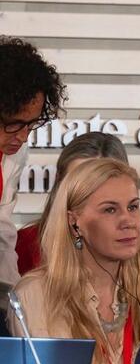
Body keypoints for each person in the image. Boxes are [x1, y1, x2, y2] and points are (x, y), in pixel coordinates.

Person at [7, 158, 140, 364]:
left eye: (133, 207)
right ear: (74, 222)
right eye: (110, 209)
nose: (128, 221)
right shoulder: (35, 296)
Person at [0, 36, 67, 287]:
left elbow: (2, 231)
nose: (23, 136)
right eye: (13, 123)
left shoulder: (14, 153)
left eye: (31, 124)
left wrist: (11, 294)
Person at [16, 131, 128, 276]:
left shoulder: (135, 255)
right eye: (77, 183)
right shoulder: (23, 246)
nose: (88, 195)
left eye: (102, 184)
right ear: (59, 182)